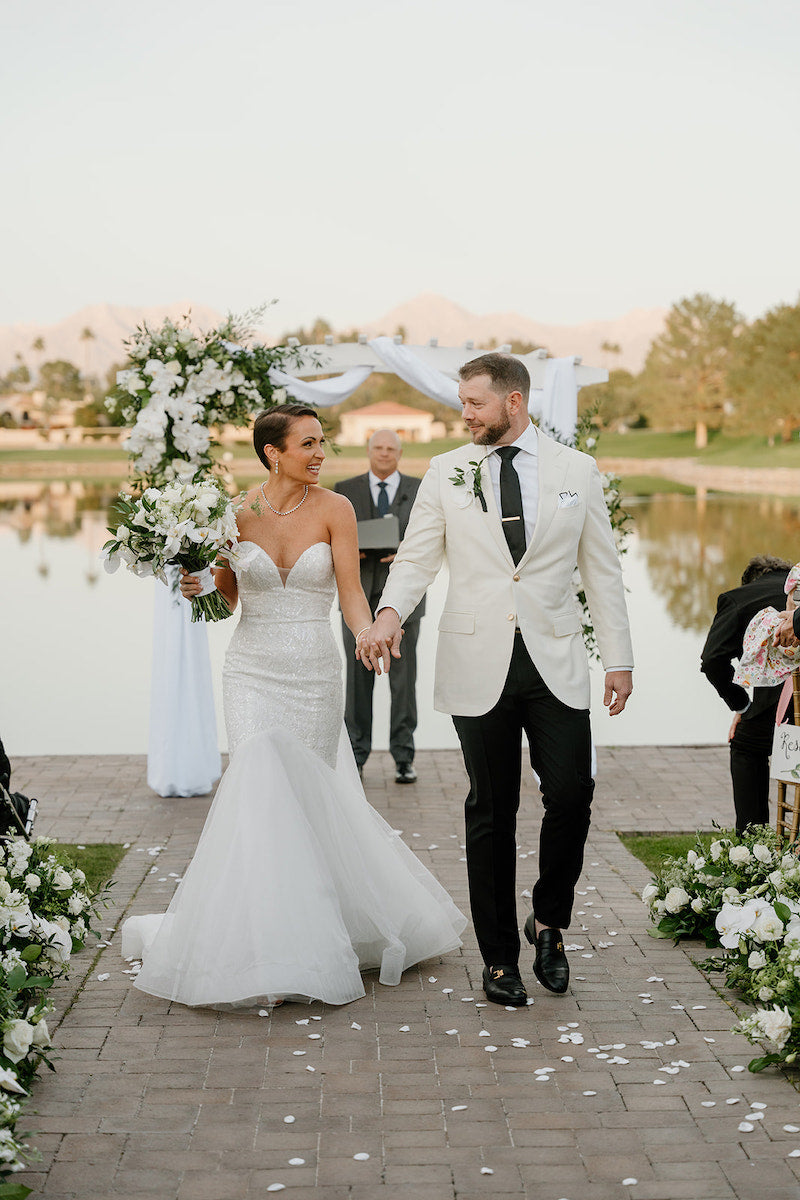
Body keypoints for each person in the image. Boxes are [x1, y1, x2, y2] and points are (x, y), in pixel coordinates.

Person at [121, 404, 466, 1009]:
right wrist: (201, 582)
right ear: (272, 453)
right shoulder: (232, 515)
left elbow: (352, 596)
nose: (320, 452)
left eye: (322, 442)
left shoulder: (338, 509)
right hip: (250, 671)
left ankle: (323, 928)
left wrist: (370, 635)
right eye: (308, 443)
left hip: (313, 671)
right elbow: (228, 602)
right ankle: (264, 938)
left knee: (309, 794)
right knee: (257, 788)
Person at [365, 354, 633, 1007]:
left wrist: (619, 658)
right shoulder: (446, 470)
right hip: (476, 657)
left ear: (514, 402)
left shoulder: (577, 471)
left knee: (571, 793)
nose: (466, 414)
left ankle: (548, 920)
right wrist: (388, 614)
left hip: (556, 661)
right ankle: (498, 960)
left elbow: (600, 570)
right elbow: (416, 558)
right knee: (493, 806)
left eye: (475, 404)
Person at [334, 430, 425, 783]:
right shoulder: (344, 489)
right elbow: (330, 537)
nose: (384, 454)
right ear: (368, 451)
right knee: (357, 681)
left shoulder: (419, 489)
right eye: (378, 448)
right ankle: (356, 755)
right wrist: (347, 550)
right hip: (356, 594)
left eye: (391, 448)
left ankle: (404, 757)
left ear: (400, 453)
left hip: (405, 602)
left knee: (404, 681)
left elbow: (431, 535)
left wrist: (402, 547)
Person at [701, 556, 793, 834]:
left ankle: (754, 845)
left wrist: (742, 706)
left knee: (746, 747)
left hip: (777, 708)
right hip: (787, 704)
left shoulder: (737, 599)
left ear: (751, 579)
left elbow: (712, 661)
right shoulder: (794, 590)